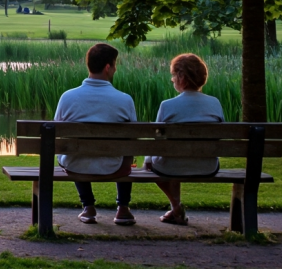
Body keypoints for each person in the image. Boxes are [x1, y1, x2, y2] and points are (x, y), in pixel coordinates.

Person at [54, 43, 136, 225]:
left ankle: (88, 207)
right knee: (126, 152)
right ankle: (123, 208)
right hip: (114, 165)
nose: (115, 69)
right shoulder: (124, 100)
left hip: (75, 165)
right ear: (108, 67)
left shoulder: (67, 97)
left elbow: (58, 133)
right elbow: (132, 141)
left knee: (75, 152)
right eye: (115, 65)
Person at [145, 53, 224, 225]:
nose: (172, 79)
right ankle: (176, 210)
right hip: (207, 166)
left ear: (181, 77)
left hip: (171, 167)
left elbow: (157, 140)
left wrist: (147, 158)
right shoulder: (215, 103)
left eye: (174, 75)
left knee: (158, 163)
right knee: (173, 159)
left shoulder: (167, 105)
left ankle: (176, 207)